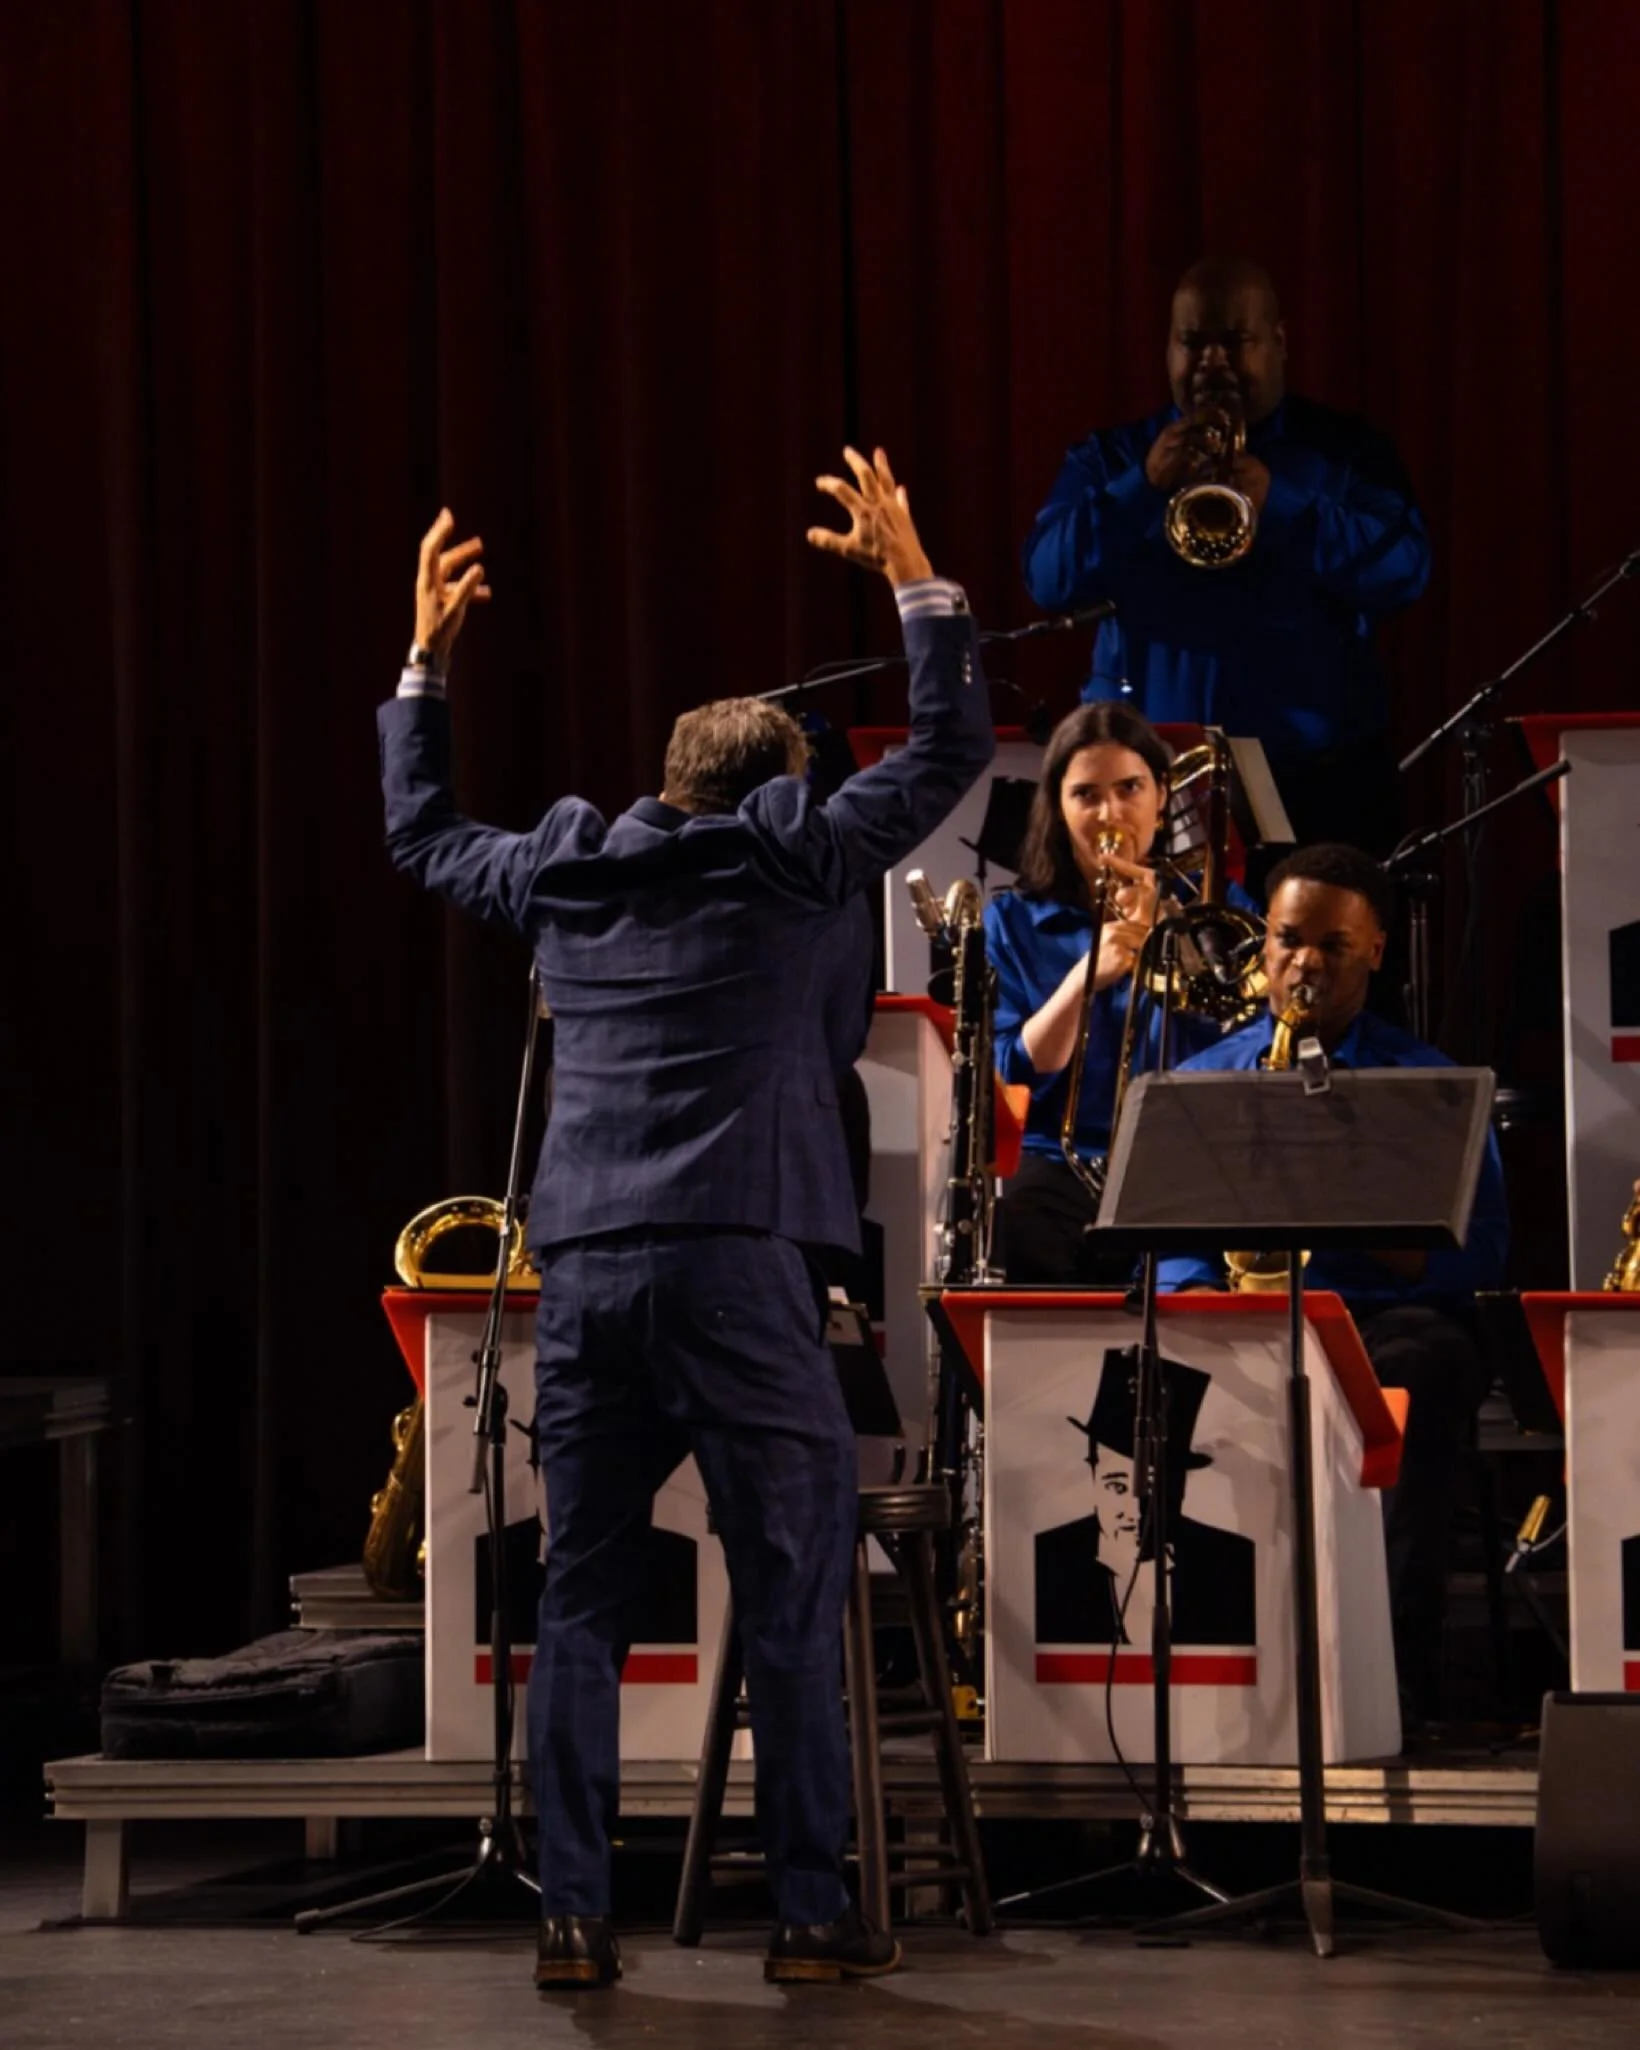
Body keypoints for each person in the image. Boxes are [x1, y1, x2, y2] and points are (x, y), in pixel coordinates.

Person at [378, 448, 994, 1987]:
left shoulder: (569, 876)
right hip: (736, 1264)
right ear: (781, 784)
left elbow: (420, 831)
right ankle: (802, 1911)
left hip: (585, 1269)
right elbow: (952, 746)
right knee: (789, 1581)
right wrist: (916, 574)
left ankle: (576, 1918)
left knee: (580, 1593)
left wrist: (421, 663)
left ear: (665, 781)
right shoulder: (798, 856)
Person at [1157, 842, 1510, 1724]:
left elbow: (1482, 1255)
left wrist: (1384, 1231)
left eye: (1334, 947)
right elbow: (1160, 1238)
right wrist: (1199, 1292)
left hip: (1385, 1320)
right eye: (1287, 940)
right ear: (1263, 946)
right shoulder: (1201, 1082)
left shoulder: (1425, 1084)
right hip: (1244, 1322)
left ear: (1377, 952)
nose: (1304, 964)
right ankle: (1205, 1679)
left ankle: (1395, 1679)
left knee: (1427, 1370)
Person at [1021, 257, 1430, 855]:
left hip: (1316, 780)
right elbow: (1046, 578)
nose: (1212, 365)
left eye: (1235, 343)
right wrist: (1141, 487)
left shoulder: (1345, 453)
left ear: (1279, 343)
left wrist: (1283, 504)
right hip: (1152, 782)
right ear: (1168, 349)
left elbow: (1405, 573)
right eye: (1193, 344)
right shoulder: (1113, 458)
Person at [984, 700, 1256, 1284]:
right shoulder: (1010, 921)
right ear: (1057, 808)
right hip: (1061, 1168)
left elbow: (1251, 1040)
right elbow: (1012, 1074)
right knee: (1022, 1231)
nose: (1111, 812)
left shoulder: (1222, 913)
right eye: (1086, 794)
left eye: (1130, 788)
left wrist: (1172, 933)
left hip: (1191, 1163)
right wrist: (1085, 977)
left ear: (1161, 798)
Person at [1035, 1348, 1256, 1651]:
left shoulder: (1231, 1560)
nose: (1135, 1511)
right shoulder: (1051, 1557)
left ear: (1179, 1489)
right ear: (1093, 1477)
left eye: (1153, 1490)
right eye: (1117, 1487)